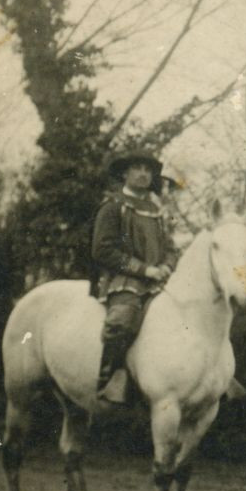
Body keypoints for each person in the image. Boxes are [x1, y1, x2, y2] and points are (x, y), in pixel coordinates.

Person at [92, 152, 178, 406]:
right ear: (124, 174)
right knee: (122, 320)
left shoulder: (157, 211)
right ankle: (111, 380)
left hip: (159, 281)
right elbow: (102, 250)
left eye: (147, 170)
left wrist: (167, 266)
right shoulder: (113, 206)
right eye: (137, 169)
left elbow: (172, 248)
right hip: (124, 281)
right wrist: (145, 270)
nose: (143, 174)